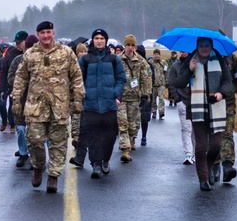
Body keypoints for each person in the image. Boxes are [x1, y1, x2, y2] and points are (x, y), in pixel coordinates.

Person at [10, 21, 84, 193]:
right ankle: (38, 166)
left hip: (59, 106)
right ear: (38, 35)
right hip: (36, 107)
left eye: (48, 32)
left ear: (53, 33)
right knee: (34, 140)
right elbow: (20, 78)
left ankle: (53, 176)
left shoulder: (65, 52)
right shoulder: (30, 54)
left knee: (58, 143)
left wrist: (78, 99)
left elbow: (76, 77)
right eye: (42, 33)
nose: (46, 36)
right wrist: (16, 100)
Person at [175, 37, 233, 191]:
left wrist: (221, 93)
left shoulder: (219, 60)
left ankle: (207, 168)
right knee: (201, 146)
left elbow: (228, 82)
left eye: (207, 45)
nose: (204, 48)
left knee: (216, 145)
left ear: (211, 47)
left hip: (216, 107)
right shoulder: (190, 60)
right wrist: (190, 69)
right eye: (201, 46)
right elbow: (179, 83)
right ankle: (203, 179)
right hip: (197, 109)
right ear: (197, 47)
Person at [80, 28, 125, 179]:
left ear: (106, 41)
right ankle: (96, 164)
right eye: (96, 38)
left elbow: (121, 79)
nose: (99, 41)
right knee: (93, 136)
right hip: (91, 104)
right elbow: (78, 80)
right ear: (92, 40)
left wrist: (115, 93)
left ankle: (105, 160)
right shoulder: (85, 60)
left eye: (101, 38)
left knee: (110, 136)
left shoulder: (114, 59)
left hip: (109, 104)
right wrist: (84, 94)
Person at [214, 49, 237, 183]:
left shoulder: (233, 60)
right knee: (214, 134)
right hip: (211, 103)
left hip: (228, 103)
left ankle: (227, 165)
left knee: (227, 134)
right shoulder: (206, 57)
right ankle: (214, 165)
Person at [117, 34, 151, 162]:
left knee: (133, 125)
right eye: (128, 45)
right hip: (121, 97)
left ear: (135, 47)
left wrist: (145, 95)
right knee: (122, 123)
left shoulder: (141, 61)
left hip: (135, 98)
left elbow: (145, 79)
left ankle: (131, 139)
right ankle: (125, 149)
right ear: (124, 46)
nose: (130, 47)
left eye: (132, 45)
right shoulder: (117, 60)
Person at [7, 34, 37, 168]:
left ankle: (34, 156)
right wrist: (21, 82)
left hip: (36, 101)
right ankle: (23, 153)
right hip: (20, 99)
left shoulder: (40, 61)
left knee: (35, 130)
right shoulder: (17, 60)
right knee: (20, 128)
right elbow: (10, 77)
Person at [167, 51, 196, 165]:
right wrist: (177, 99)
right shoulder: (176, 66)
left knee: (196, 129)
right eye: (181, 50)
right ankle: (188, 153)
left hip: (196, 101)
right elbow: (171, 83)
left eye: (185, 50)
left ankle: (195, 152)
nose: (183, 52)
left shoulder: (197, 64)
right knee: (186, 128)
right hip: (183, 101)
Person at [149, 49, 168, 119]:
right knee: (153, 100)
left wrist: (166, 81)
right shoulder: (150, 63)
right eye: (155, 54)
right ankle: (154, 111)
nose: (156, 56)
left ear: (159, 55)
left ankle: (161, 112)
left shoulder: (163, 63)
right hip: (153, 84)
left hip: (161, 84)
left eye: (157, 54)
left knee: (161, 99)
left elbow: (166, 72)